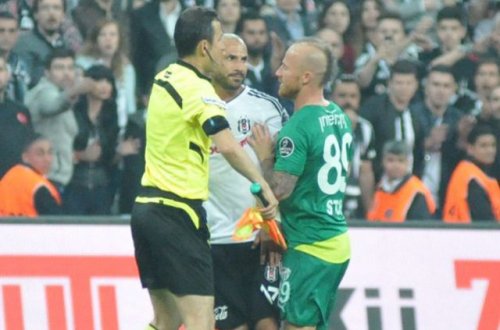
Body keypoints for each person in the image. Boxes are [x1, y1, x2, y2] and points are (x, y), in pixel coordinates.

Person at [129, 7, 278, 330]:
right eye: (220, 39)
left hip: (146, 211)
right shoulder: (199, 89)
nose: (224, 46)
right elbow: (226, 145)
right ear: (205, 48)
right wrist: (262, 185)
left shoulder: (163, 77)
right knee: (202, 321)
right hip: (177, 214)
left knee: (165, 320)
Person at [249, 38, 352, 330]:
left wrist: (265, 158)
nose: (278, 73)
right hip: (334, 239)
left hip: (311, 244)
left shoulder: (297, 128)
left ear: (306, 77)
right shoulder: (337, 116)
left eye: (285, 66)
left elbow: (279, 190)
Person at [206, 34, 287, 330]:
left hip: (260, 237)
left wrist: (271, 221)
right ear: (211, 59)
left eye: (243, 59)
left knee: (267, 324)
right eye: (230, 58)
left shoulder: (267, 108)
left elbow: (284, 172)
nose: (240, 66)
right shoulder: (195, 106)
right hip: (213, 238)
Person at [26, 48, 95, 193]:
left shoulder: (62, 94)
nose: (66, 73)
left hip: (60, 176)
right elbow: (52, 105)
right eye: (59, 68)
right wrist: (75, 90)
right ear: (46, 72)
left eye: (70, 68)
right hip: (47, 176)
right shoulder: (43, 91)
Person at [360, 60, 425, 181]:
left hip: (408, 184)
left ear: (416, 85)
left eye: (408, 83)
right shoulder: (373, 109)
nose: (404, 88)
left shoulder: (416, 114)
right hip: (378, 182)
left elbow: (418, 154)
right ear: (389, 83)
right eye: (399, 83)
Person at [411, 65, 464, 213]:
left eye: (446, 86)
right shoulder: (411, 115)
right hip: (415, 190)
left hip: (446, 195)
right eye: (436, 84)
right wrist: (425, 144)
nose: (441, 90)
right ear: (426, 87)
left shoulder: (459, 119)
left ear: (454, 89)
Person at [331, 74, 375, 219]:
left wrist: (370, 211)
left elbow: (366, 171)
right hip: (326, 199)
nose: (348, 101)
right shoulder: (320, 126)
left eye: (353, 96)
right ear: (332, 98)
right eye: (342, 96)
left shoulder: (366, 128)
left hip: (355, 201)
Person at [367, 140, 436, 222]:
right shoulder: (379, 188)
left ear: (408, 163)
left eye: (401, 161)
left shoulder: (417, 193)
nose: (395, 165)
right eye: (390, 160)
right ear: (383, 161)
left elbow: (420, 230)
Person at [443, 125, 500, 222]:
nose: (490, 150)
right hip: (469, 235)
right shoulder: (472, 179)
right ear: (470, 149)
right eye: (483, 146)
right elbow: (484, 220)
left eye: (493, 145)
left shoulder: (470, 172)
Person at [0, 134, 62, 217]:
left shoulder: (8, 176)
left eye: (50, 152)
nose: (47, 159)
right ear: (25, 157)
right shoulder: (39, 187)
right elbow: (57, 223)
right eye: (40, 154)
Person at [0, 55, 33, 179]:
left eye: (0, 70)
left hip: (16, 183)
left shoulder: (20, 110)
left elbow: (30, 146)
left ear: (8, 74)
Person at [0, 11, 30, 103]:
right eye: (1, 31)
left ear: (17, 34)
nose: (6, 36)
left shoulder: (21, 65)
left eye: (11, 31)